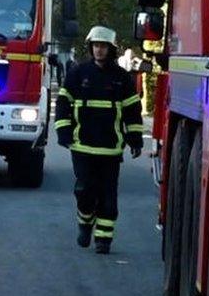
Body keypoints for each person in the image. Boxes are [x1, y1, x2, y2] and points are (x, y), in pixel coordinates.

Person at [54, 25, 143, 255]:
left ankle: (104, 240)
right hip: (82, 146)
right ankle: (85, 222)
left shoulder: (121, 78)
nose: (99, 50)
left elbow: (132, 110)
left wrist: (135, 139)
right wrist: (63, 131)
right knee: (84, 190)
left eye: (103, 46)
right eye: (95, 46)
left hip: (110, 150)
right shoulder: (78, 73)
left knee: (108, 199)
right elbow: (63, 103)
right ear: (90, 47)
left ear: (111, 49)